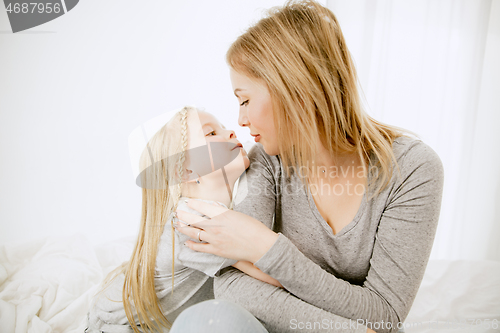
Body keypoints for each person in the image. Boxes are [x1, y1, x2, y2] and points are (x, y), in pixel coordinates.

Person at [171, 1, 444, 333]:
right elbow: (232, 284)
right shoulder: (266, 160)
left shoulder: (413, 170)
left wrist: (267, 247)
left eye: (244, 99)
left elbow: (384, 315)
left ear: (293, 89)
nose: (240, 120)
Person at [84, 106, 281, 333]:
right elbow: (273, 275)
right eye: (211, 134)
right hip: (116, 324)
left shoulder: (219, 208)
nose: (230, 133)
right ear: (186, 172)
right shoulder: (191, 223)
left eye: (224, 127)